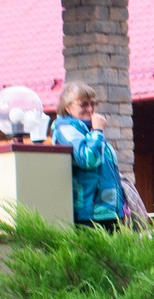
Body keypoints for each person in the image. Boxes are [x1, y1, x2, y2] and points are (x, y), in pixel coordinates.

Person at [51, 83, 123, 229]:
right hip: (88, 214)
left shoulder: (87, 130)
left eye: (93, 104)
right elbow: (87, 159)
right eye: (83, 104)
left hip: (107, 212)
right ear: (68, 107)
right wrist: (97, 131)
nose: (90, 109)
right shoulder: (64, 128)